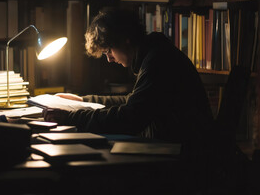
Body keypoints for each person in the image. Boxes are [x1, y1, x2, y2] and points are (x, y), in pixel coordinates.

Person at [43, 8, 214, 145]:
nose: (109, 58)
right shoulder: (153, 54)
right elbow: (133, 102)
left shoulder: (158, 62)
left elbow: (130, 118)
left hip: (182, 154)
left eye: (109, 50)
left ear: (125, 39)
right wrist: (83, 101)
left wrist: (71, 117)